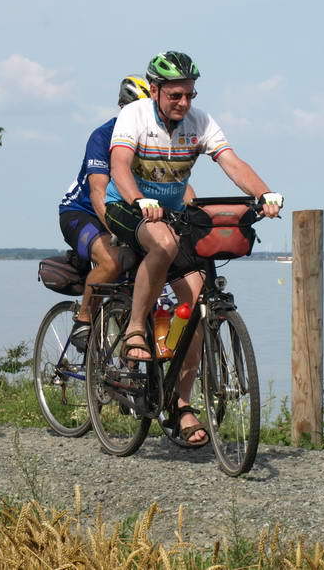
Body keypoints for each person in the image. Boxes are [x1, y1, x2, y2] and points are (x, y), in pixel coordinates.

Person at [105, 51, 282, 446]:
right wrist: (138, 200)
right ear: (155, 90)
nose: (184, 103)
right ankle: (135, 329)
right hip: (126, 207)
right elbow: (119, 166)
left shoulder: (199, 122)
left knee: (199, 305)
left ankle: (181, 405)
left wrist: (264, 193)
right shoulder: (134, 116)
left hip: (171, 212)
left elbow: (231, 162)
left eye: (189, 95)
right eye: (175, 95)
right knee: (163, 243)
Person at [57, 75, 153, 350]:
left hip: (128, 214)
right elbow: (98, 192)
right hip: (82, 212)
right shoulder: (103, 136)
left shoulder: (154, 140)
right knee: (112, 261)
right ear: (123, 108)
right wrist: (117, 233)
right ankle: (84, 319)